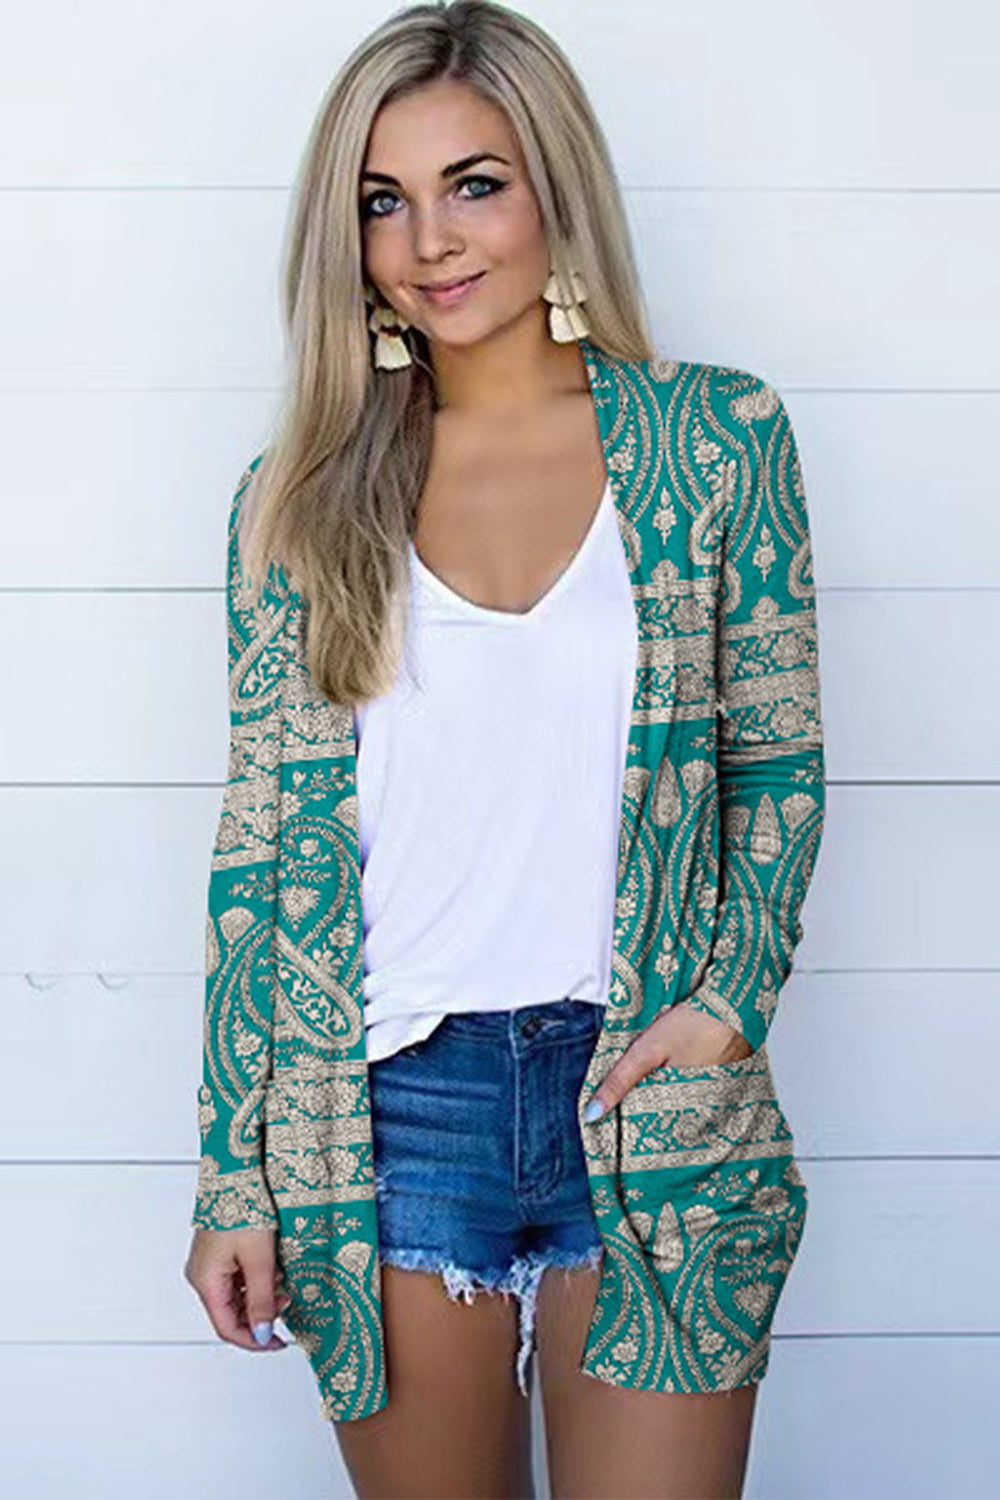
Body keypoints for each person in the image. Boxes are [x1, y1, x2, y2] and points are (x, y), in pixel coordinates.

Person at [184, 3, 826, 1497]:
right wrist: (233, 1174)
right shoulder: (297, 500)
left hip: (649, 1094)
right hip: (387, 1113)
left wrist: (727, 1006)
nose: (430, 242)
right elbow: (257, 853)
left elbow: (777, 762)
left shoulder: (716, 440)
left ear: (555, 188)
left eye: (474, 183)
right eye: (382, 201)